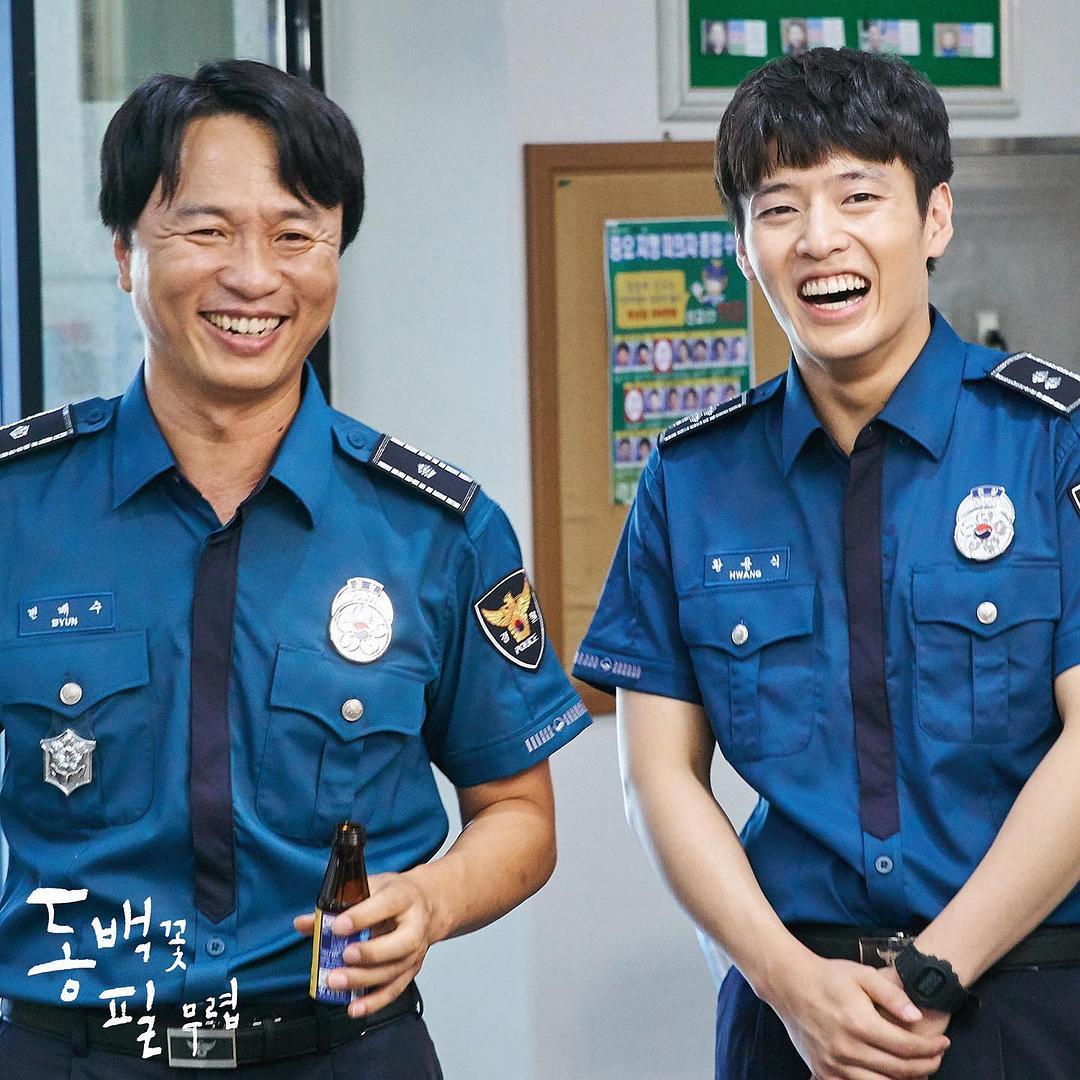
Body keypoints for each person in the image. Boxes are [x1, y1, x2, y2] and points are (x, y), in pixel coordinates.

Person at [0, 60, 590, 1078]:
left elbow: (520, 815)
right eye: (207, 230)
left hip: (343, 1049)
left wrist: (433, 899)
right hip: (72, 1050)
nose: (253, 277)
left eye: (294, 234)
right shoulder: (20, 508)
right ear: (125, 251)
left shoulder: (436, 531)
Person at [575, 46, 1080, 1080]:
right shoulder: (690, 479)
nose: (818, 239)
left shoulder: (1053, 445)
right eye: (779, 208)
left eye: (858, 196)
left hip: (1029, 1004)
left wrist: (932, 973)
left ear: (934, 219)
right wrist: (786, 981)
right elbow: (657, 774)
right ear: (743, 245)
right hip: (794, 1017)